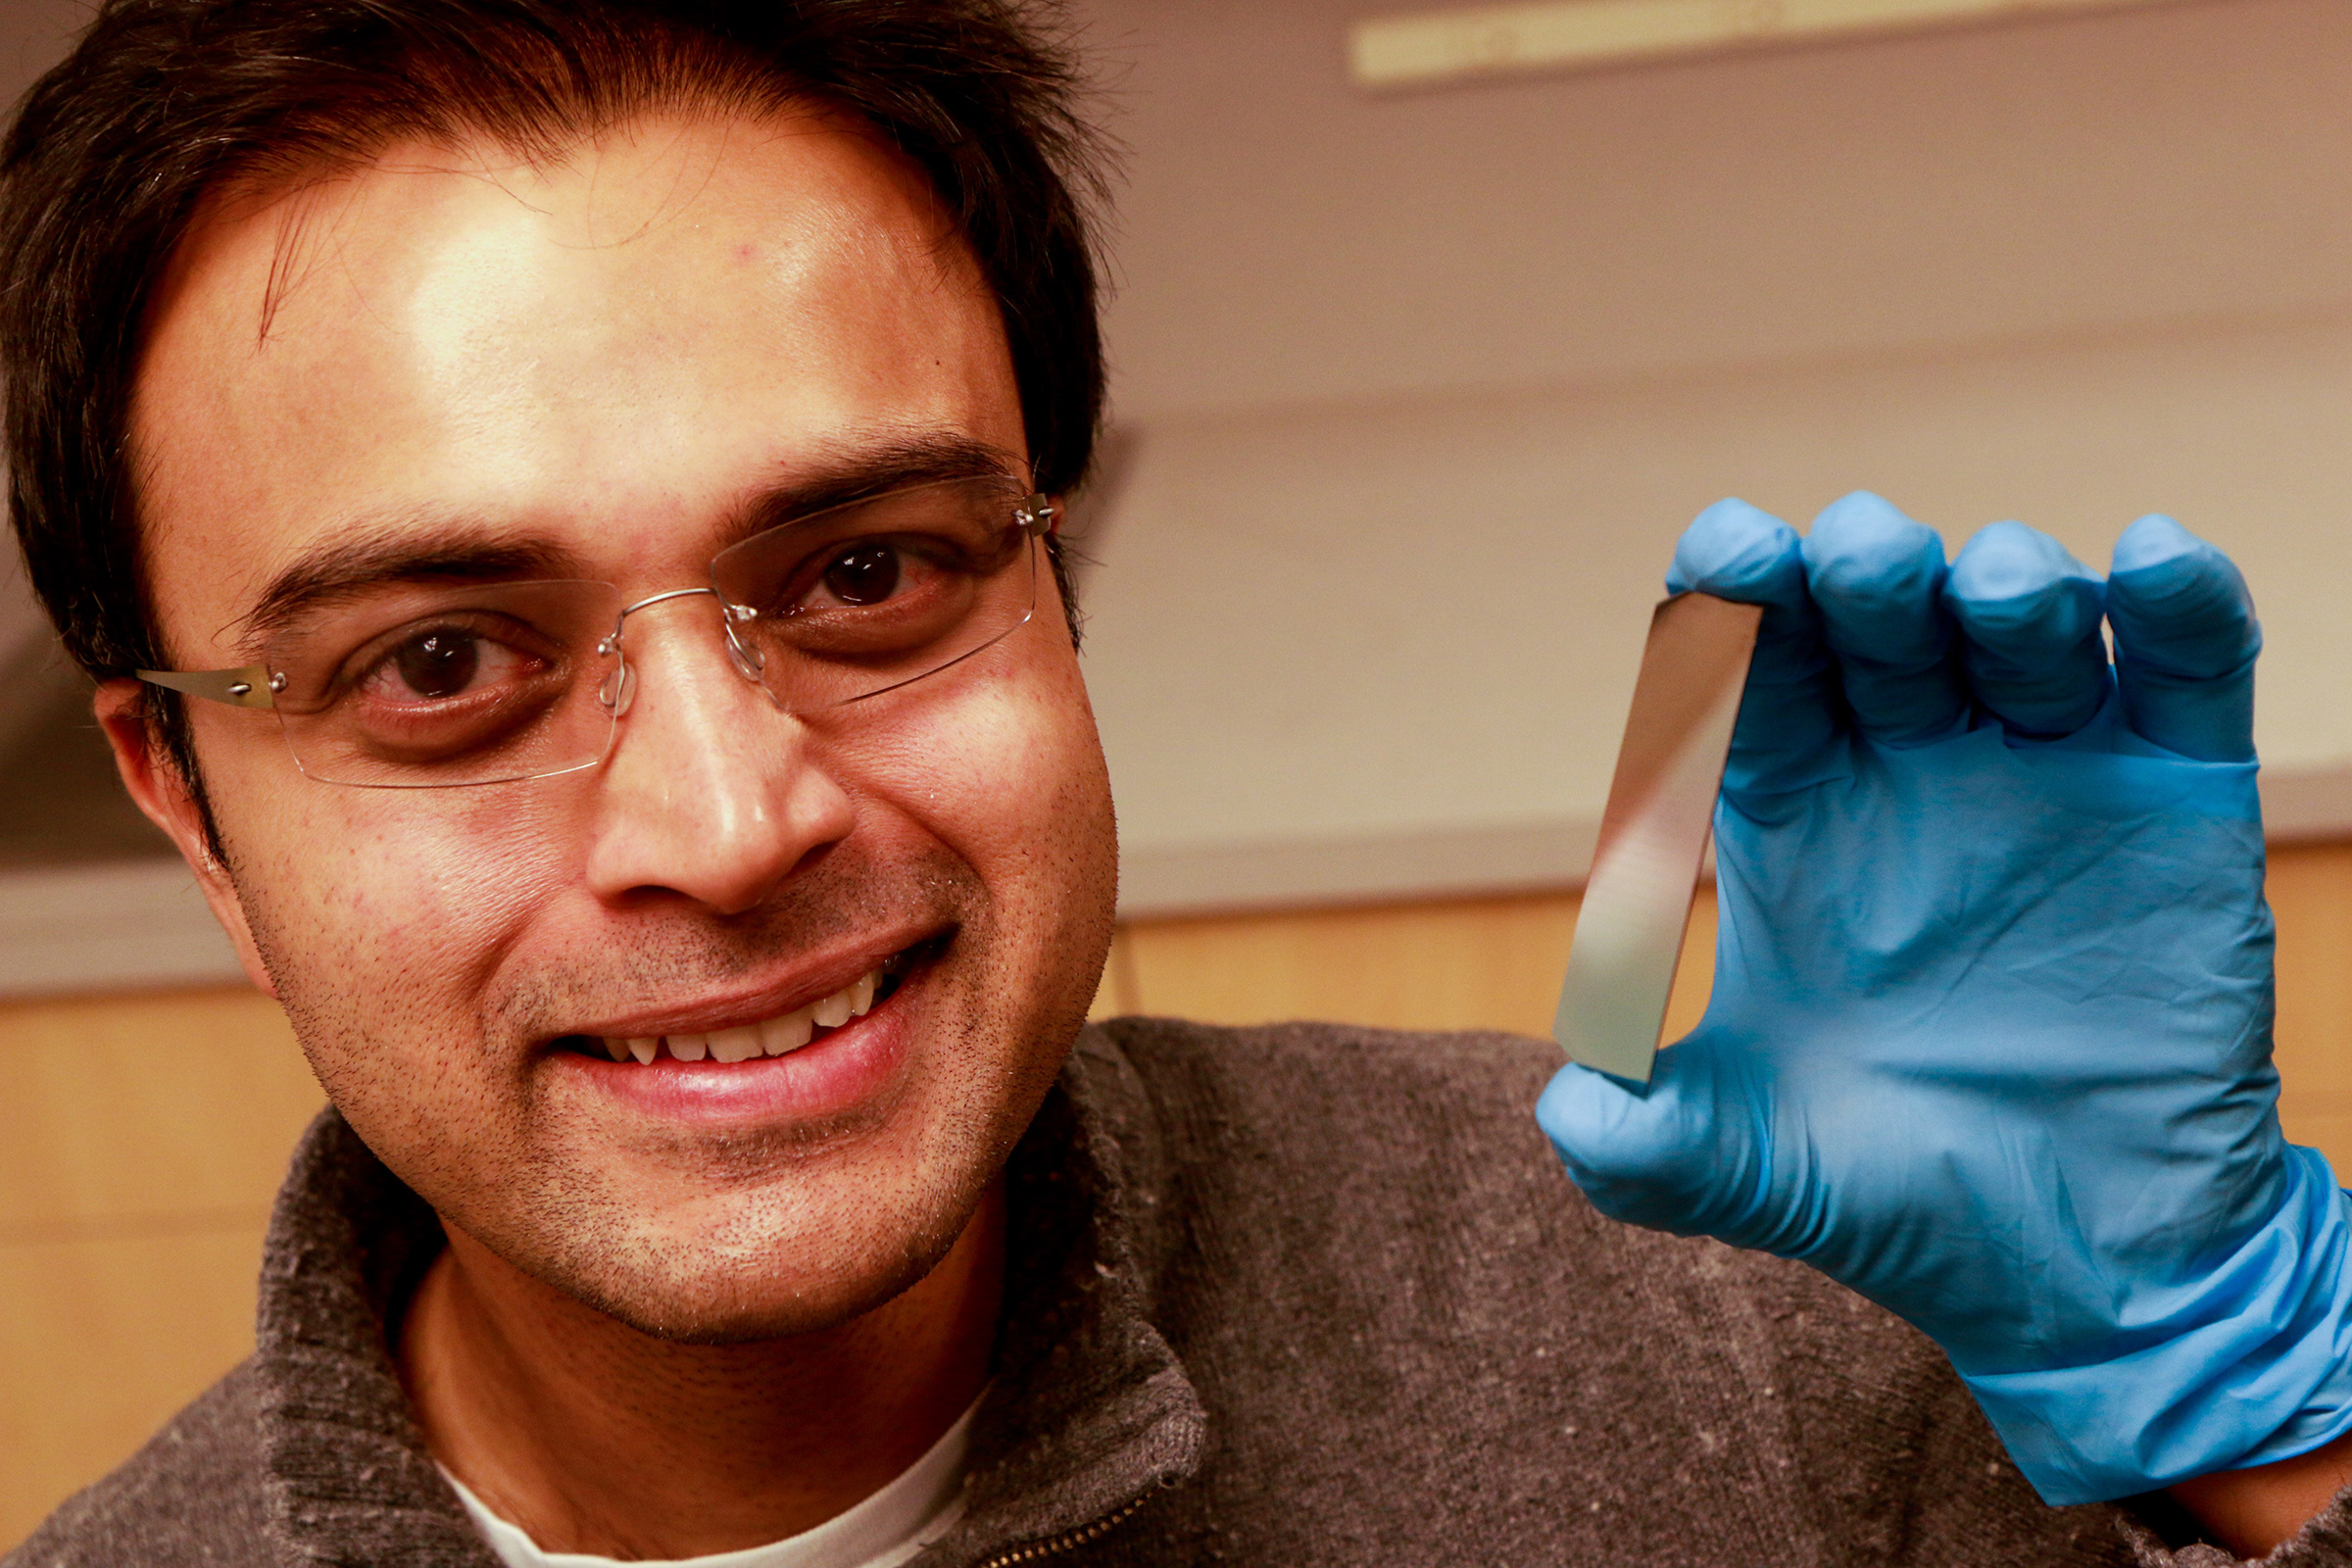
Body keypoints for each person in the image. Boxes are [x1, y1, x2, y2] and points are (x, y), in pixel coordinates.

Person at [0, 1, 2345, 1564]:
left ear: (1052, 584)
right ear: (187, 794)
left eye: (864, 571)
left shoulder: (1721, 1328)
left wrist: (2251, 1423)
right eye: (439, 662)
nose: (731, 823)